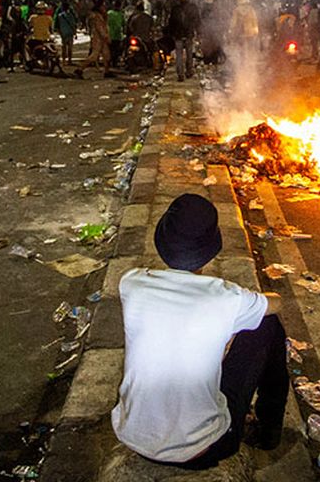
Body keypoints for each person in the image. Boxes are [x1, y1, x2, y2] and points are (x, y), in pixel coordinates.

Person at [111, 193, 286, 469]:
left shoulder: (130, 283)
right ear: (210, 249)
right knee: (267, 324)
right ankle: (268, 431)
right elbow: (276, 303)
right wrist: (235, 321)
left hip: (134, 437)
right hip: (204, 448)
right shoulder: (226, 298)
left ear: (163, 244)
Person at [167, 0, 200, 81]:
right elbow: (197, 21)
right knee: (189, 54)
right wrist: (198, 32)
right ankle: (189, 72)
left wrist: (171, 33)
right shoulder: (193, 7)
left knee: (179, 56)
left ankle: (180, 74)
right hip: (189, 34)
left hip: (178, 35)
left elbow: (171, 22)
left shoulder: (175, 9)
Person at [75, 0, 111, 79]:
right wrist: (106, 37)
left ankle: (107, 71)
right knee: (94, 56)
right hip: (98, 38)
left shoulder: (99, 15)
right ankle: (79, 69)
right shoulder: (96, 16)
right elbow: (100, 28)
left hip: (101, 38)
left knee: (107, 56)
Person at [55, 0, 78, 64]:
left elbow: (57, 23)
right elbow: (74, 22)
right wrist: (75, 32)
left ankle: (64, 61)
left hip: (63, 33)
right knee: (70, 47)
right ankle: (69, 60)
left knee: (64, 47)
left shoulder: (59, 14)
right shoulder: (71, 13)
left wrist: (57, 30)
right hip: (70, 32)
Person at [107, 0, 126, 67]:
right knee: (117, 50)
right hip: (117, 35)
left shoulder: (109, 13)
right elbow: (124, 24)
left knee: (111, 50)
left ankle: (110, 62)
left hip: (110, 35)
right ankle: (114, 63)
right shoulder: (121, 14)